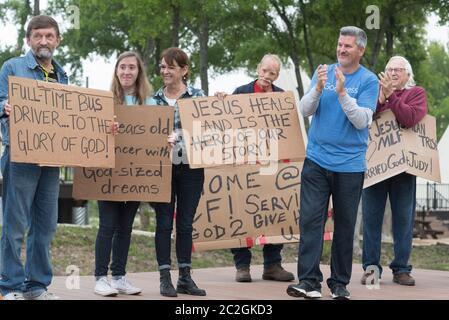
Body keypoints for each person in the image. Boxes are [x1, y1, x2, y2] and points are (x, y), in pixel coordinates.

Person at [286, 26, 379, 300]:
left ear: (360, 50)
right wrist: (317, 88)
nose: (341, 50)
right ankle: (309, 282)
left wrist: (341, 93)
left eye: (348, 46)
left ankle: (339, 283)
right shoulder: (323, 71)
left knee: (344, 226)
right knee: (311, 222)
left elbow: (362, 120)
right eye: (340, 44)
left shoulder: (369, 80)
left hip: (349, 166)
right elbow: (304, 110)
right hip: (316, 161)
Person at [0, 15, 68, 300]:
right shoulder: (12, 67)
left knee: (46, 225)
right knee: (15, 224)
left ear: (57, 40)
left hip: (52, 162)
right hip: (21, 157)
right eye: (38, 36)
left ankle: (37, 286)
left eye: (49, 36)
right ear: (28, 40)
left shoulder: (62, 75)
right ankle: (11, 286)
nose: (43, 41)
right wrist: (4, 107)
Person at [227, 54, 294, 283]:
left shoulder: (282, 97)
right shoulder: (240, 92)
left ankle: (272, 265)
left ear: (277, 75)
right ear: (258, 68)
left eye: (272, 73)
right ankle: (242, 266)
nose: (267, 76)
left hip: (273, 166)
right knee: (242, 211)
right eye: (264, 71)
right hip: (244, 165)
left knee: (275, 212)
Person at [361, 56, 427, 287]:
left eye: (398, 69)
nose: (393, 73)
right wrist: (381, 97)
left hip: (404, 171)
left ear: (408, 74)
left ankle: (401, 269)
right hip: (375, 167)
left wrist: (391, 97)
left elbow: (409, 118)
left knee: (402, 220)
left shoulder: (416, 93)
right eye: (389, 69)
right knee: (371, 220)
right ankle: (370, 268)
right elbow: (364, 118)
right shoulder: (374, 91)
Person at [93, 51, 155, 297]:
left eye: (132, 67)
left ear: (139, 73)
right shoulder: (104, 100)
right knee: (107, 226)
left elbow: (157, 136)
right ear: (116, 71)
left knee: (125, 228)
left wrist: (168, 139)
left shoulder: (149, 104)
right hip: (108, 174)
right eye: (123, 67)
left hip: (136, 174)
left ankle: (118, 277)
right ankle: (100, 278)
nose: (127, 71)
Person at [151, 47, 206, 297]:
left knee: (184, 224)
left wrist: (180, 137)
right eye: (162, 66)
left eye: (170, 67)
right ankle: (165, 278)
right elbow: (145, 136)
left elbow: (207, 132)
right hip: (161, 169)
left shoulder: (198, 97)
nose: (165, 71)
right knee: (163, 223)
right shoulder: (152, 101)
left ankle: (185, 277)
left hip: (191, 169)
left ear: (184, 70)